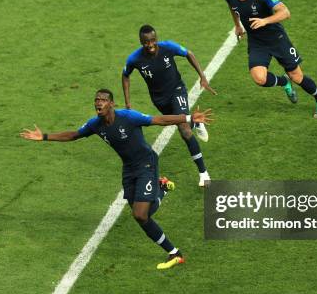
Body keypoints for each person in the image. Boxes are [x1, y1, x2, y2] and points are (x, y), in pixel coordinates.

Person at [20, 89, 213, 269]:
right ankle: (161, 188)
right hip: (129, 169)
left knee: (140, 214)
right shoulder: (94, 124)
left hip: (147, 163)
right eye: (96, 100)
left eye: (103, 100)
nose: (98, 103)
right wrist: (44, 136)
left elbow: (159, 119)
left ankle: (175, 254)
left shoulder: (128, 117)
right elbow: (73, 135)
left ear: (111, 103)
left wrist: (188, 118)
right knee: (143, 213)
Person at [224, 0, 317, 118]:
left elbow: (285, 12)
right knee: (259, 78)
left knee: (297, 76)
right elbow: (233, 8)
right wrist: (237, 25)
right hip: (257, 42)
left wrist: (265, 20)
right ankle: (284, 82)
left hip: (276, 38)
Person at [122, 25, 217, 187]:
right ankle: (196, 122)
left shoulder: (168, 47)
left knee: (184, 130)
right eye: (146, 42)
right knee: (182, 122)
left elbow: (189, 54)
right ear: (141, 42)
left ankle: (203, 173)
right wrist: (128, 102)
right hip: (159, 100)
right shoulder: (134, 59)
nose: (150, 44)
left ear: (156, 38)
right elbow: (125, 75)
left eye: (153, 40)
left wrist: (202, 76)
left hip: (177, 91)